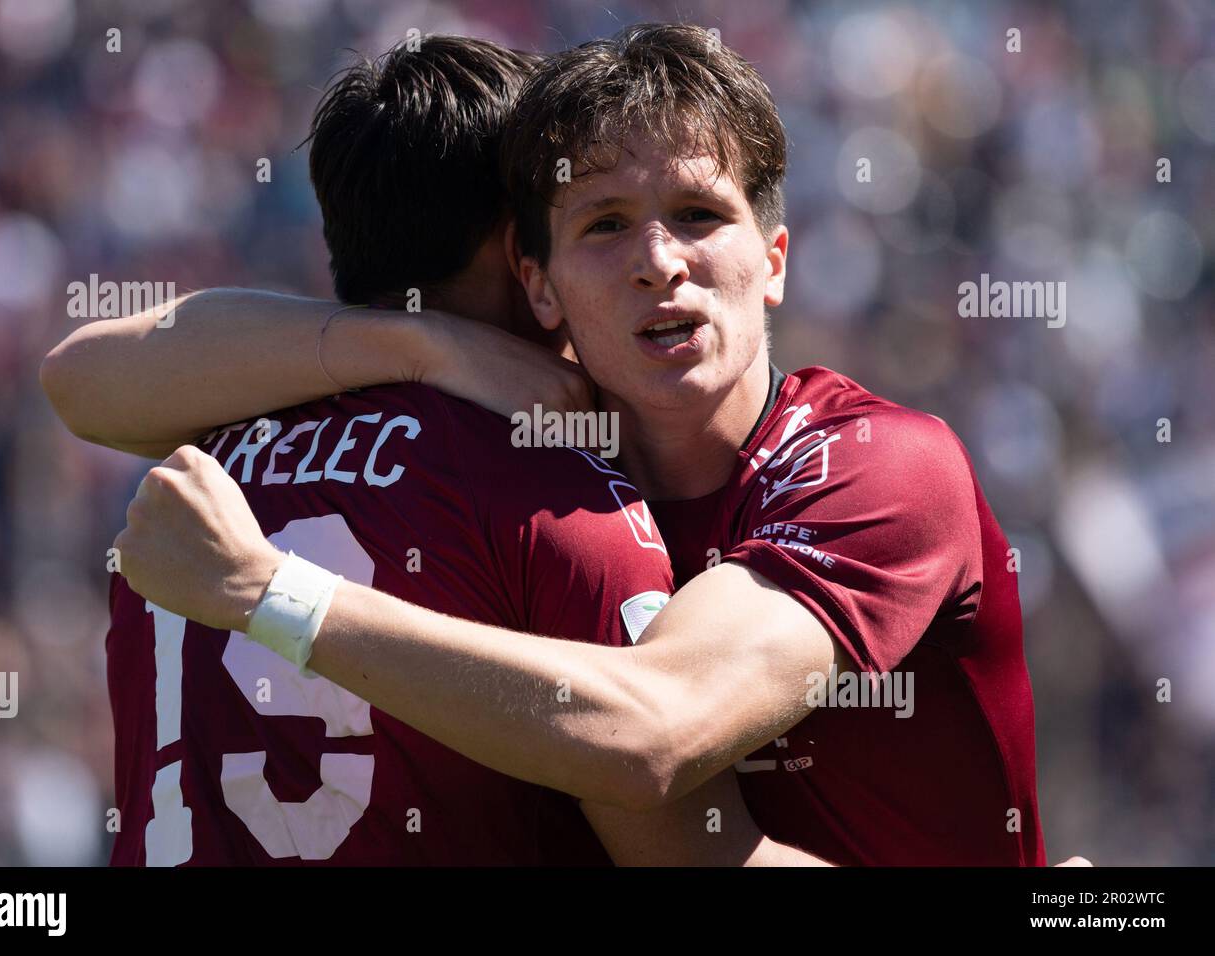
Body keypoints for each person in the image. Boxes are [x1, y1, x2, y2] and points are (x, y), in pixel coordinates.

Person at [59, 24, 1048, 865]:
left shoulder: (879, 465)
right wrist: (421, 345)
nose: (661, 262)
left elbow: (650, 732)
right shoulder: (558, 497)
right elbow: (78, 376)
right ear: (534, 276)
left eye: (699, 215)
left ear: (774, 258)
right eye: (605, 224)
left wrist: (268, 589)